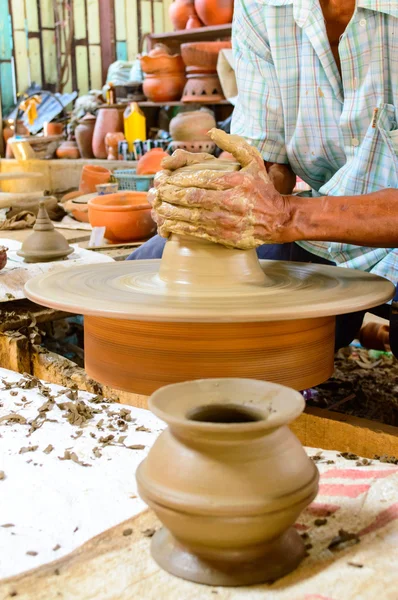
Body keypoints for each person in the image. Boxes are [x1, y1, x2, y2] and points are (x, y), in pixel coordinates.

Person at [128, 0, 398, 353]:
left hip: (360, 234)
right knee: (142, 278)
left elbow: (285, 215)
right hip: (325, 234)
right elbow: (262, 156)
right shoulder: (262, 6)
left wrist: (288, 215)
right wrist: (213, 193)